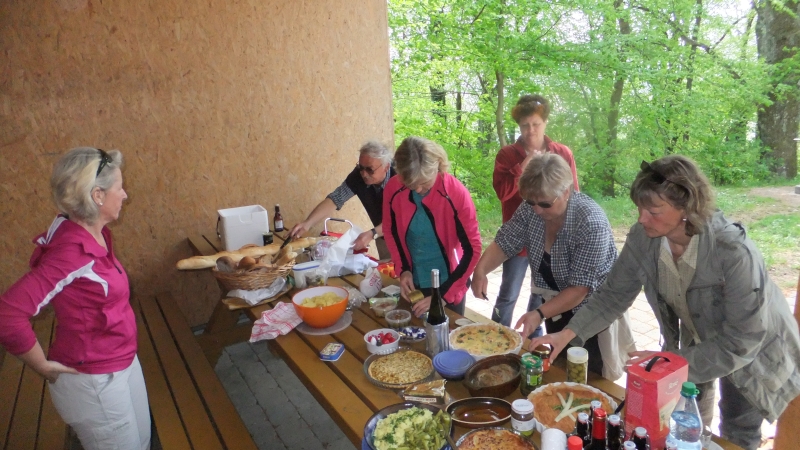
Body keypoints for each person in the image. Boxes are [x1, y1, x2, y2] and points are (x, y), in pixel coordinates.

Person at [530, 155, 800, 450]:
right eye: (640, 209)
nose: (641, 218)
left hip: (754, 348)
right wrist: (566, 333)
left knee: (738, 427)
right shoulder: (644, 237)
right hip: (697, 336)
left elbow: (742, 340)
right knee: (688, 417)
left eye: (653, 211)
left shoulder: (734, 253)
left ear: (687, 207)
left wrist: (671, 364)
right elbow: (613, 294)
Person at [0, 147, 150, 450]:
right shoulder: (72, 252)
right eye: (119, 187)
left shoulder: (92, 232)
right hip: (95, 381)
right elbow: (7, 315)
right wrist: (41, 365)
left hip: (120, 362)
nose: (125, 195)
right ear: (97, 195)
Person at [472, 153, 617, 375]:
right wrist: (481, 270)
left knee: (588, 375)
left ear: (566, 191)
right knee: (558, 368)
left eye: (545, 204)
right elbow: (505, 241)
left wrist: (538, 314)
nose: (537, 210)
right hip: (556, 307)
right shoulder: (531, 208)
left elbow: (580, 289)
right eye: (531, 202)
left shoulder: (590, 222)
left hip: (591, 314)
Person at [491, 94, 580, 329]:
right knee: (508, 293)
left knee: (540, 294)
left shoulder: (562, 153)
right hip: (519, 239)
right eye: (524, 125)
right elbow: (502, 193)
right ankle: (496, 336)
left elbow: (574, 194)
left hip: (552, 239)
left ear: (545, 122)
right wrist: (522, 167)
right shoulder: (507, 155)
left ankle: (533, 342)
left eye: (536, 124)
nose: (530, 130)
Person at [383, 136, 482, 317]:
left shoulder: (455, 193)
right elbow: (391, 231)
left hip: (449, 281)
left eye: (424, 183)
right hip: (415, 280)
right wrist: (403, 269)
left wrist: (443, 296)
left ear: (438, 166)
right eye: (411, 185)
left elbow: (473, 249)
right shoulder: (393, 188)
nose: (418, 190)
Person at [289, 141, 395, 259]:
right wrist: (307, 224)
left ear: (386, 167)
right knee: (388, 274)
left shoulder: (400, 178)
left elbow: (399, 218)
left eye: (370, 169)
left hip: (409, 237)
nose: (364, 174)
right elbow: (335, 199)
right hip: (384, 237)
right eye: (361, 167)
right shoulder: (358, 177)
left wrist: (372, 233)